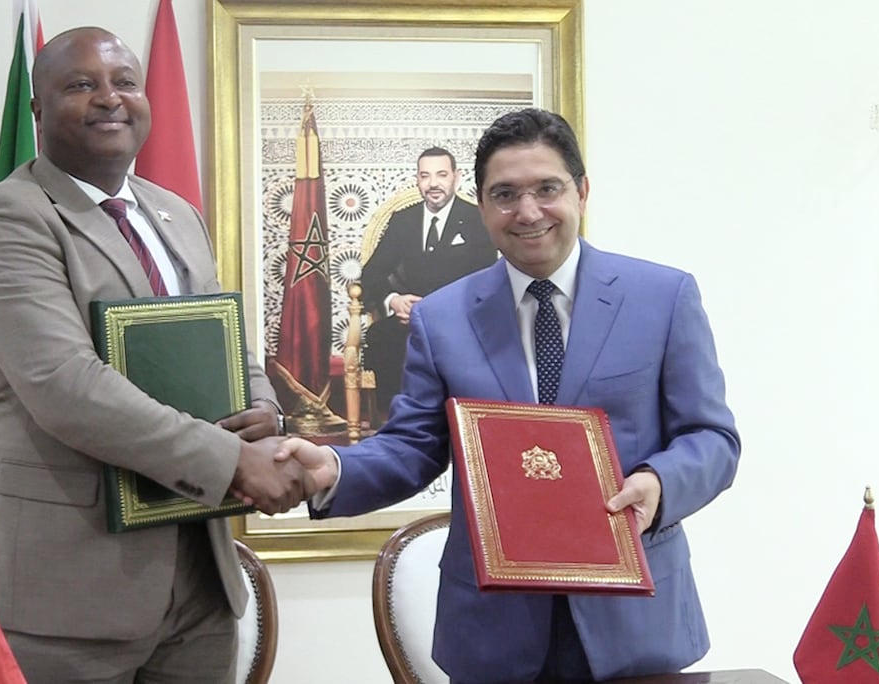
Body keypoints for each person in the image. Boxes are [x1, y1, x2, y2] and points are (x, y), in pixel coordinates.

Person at [278, 108, 740, 683]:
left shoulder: (663, 297)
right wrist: (335, 469)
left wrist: (658, 484)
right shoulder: (442, 318)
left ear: (582, 191)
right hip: (493, 628)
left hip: (636, 616)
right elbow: (413, 447)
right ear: (481, 202)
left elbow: (712, 438)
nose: (527, 212)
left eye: (548, 189)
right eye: (505, 194)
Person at [0, 27, 311, 684]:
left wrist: (261, 410)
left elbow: (222, 336)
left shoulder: (175, 213)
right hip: (70, 589)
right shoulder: (8, 219)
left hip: (198, 576)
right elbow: (67, 387)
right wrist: (234, 461)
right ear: (37, 110)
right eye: (80, 84)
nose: (108, 99)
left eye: (123, 81)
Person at [361, 146, 496, 414]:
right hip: (407, 324)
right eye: (425, 176)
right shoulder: (403, 221)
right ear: (417, 180)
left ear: (456, 178)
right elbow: (370, 275)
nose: (433, 183)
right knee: (380, 336)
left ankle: (457, 428)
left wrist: (434, 311)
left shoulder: (477, 219)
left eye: (441, 174)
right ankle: (396, 428)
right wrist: (394, 300)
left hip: (459, 322)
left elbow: (486, 280)